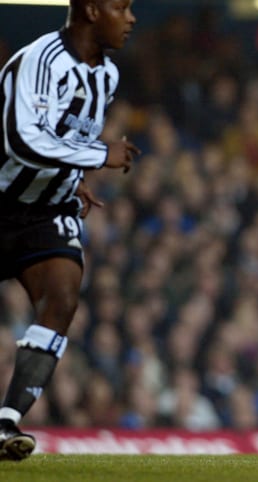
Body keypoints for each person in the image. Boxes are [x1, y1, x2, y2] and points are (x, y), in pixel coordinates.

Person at [0, 0, 139, 461]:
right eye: (122, 7)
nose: (131, 18)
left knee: (61, 297)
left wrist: (70, 177)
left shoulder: (108, 76)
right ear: (93, 11)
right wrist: (99, 156)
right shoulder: (38, 61)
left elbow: (66, 139)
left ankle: (6, 423)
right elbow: (23, 139)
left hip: (45, 210)